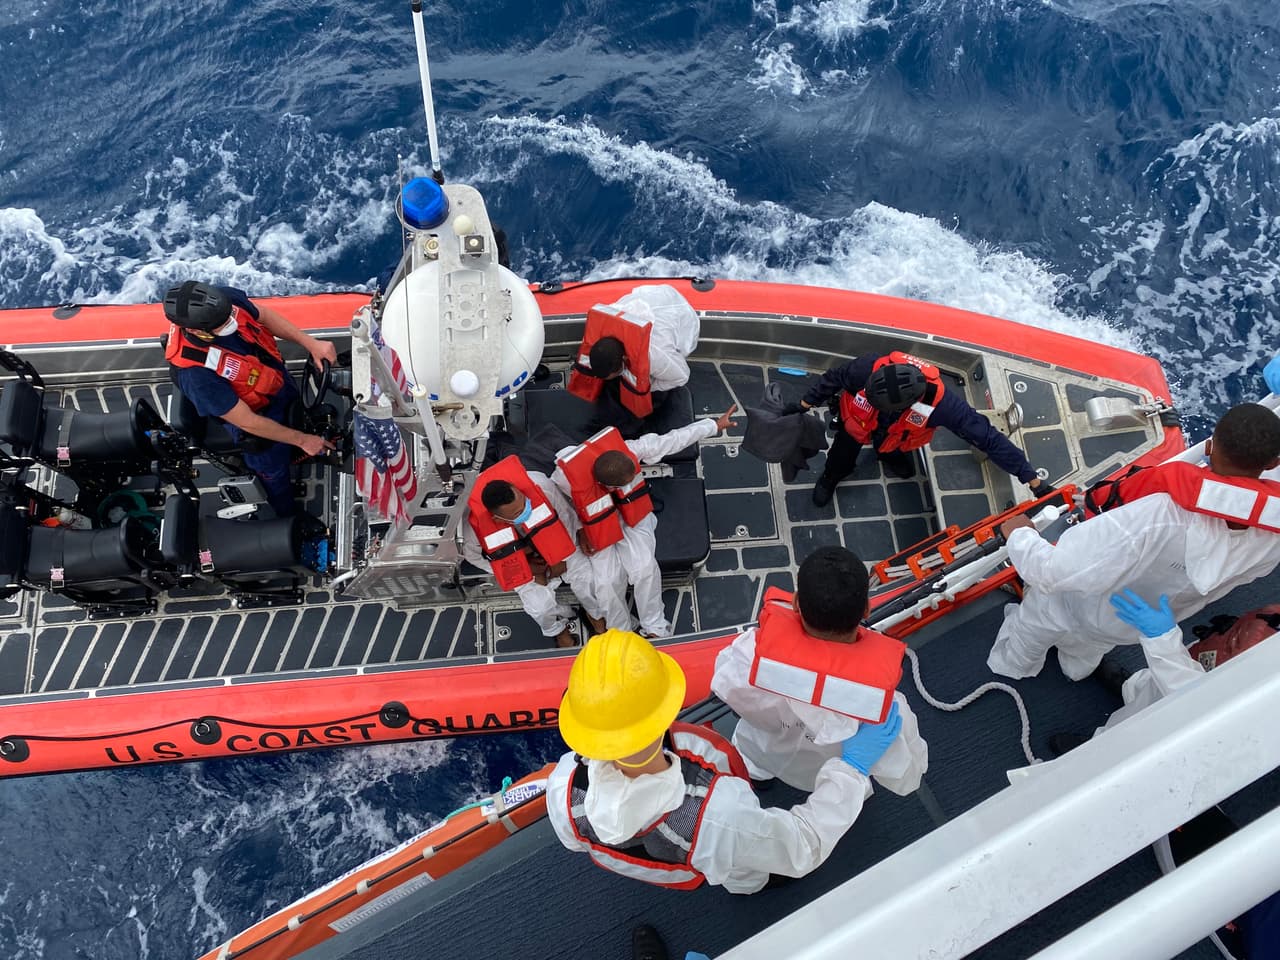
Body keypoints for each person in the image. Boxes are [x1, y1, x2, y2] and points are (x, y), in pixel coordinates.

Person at [545, 629, 904, 894]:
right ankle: (757, 884)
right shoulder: (719, 814)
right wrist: (852, 769)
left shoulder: (562, 787)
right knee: (749, 872)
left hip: (676, 866)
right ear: (663, 713)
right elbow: (801, 844)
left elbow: (576, 842)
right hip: (722, 850)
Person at [988, 402, 1280, 681]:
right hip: (1132, 625)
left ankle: (1012, 666)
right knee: (1088, 648)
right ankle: (1074, 669)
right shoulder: (1272, 540)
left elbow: (1054, 571)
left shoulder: (1158, 513)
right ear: (1273, 463)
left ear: (1210, 444)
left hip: (1075, 604)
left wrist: (1020, 534)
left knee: (1034, 626)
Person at [711, 545, 928, 793]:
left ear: (795, 603)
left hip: (760, 753)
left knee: (755, 764)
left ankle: (758, 778)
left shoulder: (749, 655)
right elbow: (909, 778)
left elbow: (724, 682)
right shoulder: (881, 706)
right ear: (867, 608)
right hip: (824, 778)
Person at [550, 406, 738, 638]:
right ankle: (621, 631)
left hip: (632, 514)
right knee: (607, 582)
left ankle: (655, 626)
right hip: (593, 522)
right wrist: (580, 530)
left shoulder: (630, 449)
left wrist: (714, 425)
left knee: (644, 568)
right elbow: (562, 503)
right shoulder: (564, 477)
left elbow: (672, 440)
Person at [164, 281, 336, 517]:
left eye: (229, 316)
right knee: (273, 472)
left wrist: (311, 344)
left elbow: (263, 315)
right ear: (196, 331)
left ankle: (297, 439)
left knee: (296, 413)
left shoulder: (224, 301)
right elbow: (247, 421)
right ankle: (288, 514)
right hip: (256, 418)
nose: (231, 323)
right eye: (222, 324)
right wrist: (303, 440)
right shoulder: (196, 375)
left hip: (272, 379)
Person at [795, 351, 1052, 506]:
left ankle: (886, 453)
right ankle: (831, 477)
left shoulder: (945, 407)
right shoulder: (866, 367)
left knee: (890, 444)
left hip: (896, 432)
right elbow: (834, 378)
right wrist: (803, 405)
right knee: (842, 454)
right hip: (857, 423)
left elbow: (989, 439)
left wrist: (1032, 480)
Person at [462, 456, 609, 648]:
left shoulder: (540, 485)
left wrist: (559, 557)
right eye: (517, 513)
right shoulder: (474, 523)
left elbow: (566, 517)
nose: (526, 510)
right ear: (496, 518)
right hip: (522, 562)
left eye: (524, 502)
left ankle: (595, 617)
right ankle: (558, 631)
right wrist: (524, 568)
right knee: (539, 608)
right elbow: (472, 556)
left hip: (561, 546)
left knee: (589, 582)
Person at [566, 284, 701, 430]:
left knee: (657, 394)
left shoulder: (654, 355)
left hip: (676, 318)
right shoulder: (602, 330)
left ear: (624, 360)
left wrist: (650, 386)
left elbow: (681, 377)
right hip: (644, 305)